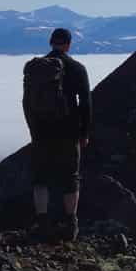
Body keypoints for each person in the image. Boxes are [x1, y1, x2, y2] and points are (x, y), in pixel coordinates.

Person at [21, 27, 91, 241]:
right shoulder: (77, 68)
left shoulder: (35, 69)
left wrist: (33, 128)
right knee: (71, 177)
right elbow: (86, 103)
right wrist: (84, 132)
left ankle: (42, 223)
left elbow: (26, 102)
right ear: (69, 44)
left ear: (51, 42)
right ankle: (70, 224)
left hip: (41, 131)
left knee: (40, 178)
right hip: (68, 131)